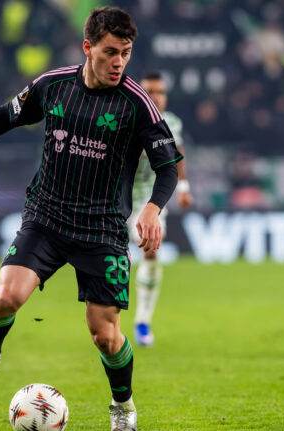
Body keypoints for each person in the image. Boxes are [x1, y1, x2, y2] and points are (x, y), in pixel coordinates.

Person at [0, 7, 182, 431]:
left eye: (126, 53)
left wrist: (152, 207)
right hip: (47, 215)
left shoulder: (138, 104)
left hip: (102, 229)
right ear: (88, 47)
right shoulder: (52, 86)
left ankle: (123, 407)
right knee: (6, 297)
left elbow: (168, 166)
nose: (119, 62)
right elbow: (6, 116)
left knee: (104, 334)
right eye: (111, 52)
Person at [129, 73, 193, 347]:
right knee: (114, 256)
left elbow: (178, 153)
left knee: (151, 250)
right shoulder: (127, 117)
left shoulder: (173, 122)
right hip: (121, 196)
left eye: (161, 91)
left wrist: (183, 187)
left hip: (153, 197)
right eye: (150, 91)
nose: (156, 97)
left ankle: (143, 321)